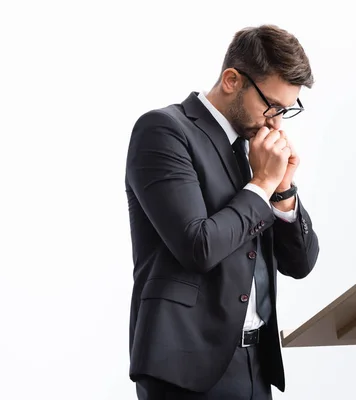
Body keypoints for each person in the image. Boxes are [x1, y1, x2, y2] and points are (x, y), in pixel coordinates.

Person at [125, 24, 320, 399]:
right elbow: (198, 246)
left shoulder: (256, 149)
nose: (275, 122)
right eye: (271, 106)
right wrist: (262, 183)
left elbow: (300, 263)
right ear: (232, 80)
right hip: (183, 367)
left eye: (285, 111)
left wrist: (282, 190)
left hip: (255, 364)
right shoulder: (164, 131)